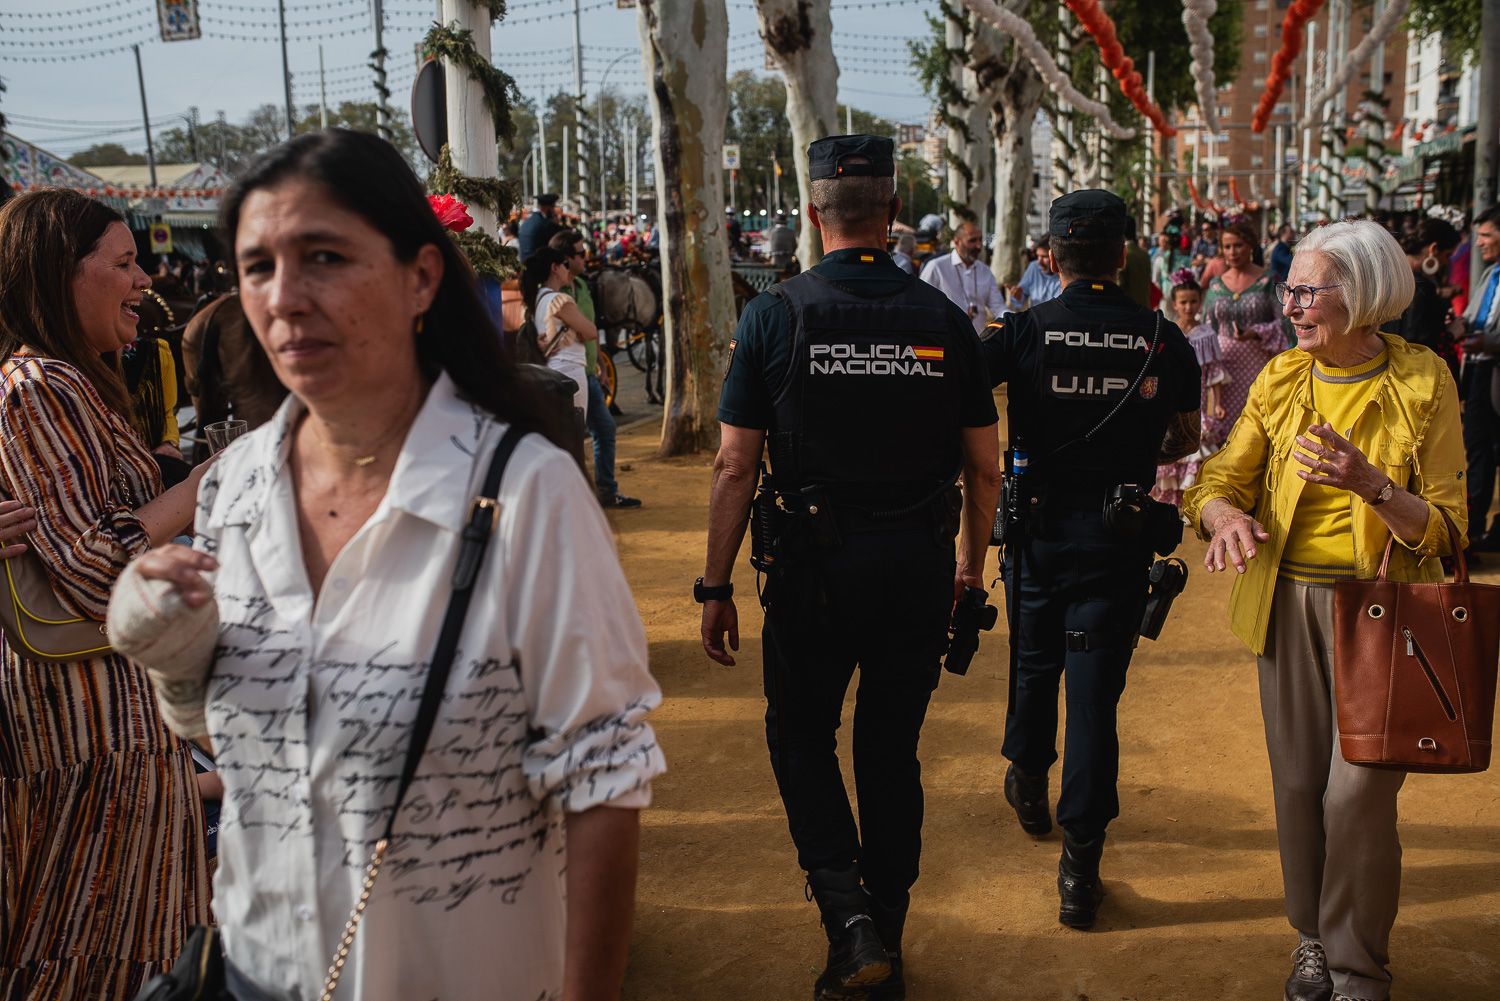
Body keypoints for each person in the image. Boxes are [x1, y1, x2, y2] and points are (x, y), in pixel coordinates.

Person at [112, 129, 664, 1001]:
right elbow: (252, 749)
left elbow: (602, 781)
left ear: (421, 278)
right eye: (257, 266)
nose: (284, 296)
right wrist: (173, 657)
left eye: (325, 257)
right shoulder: (235, 488)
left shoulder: (525, 492)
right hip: (255, 971)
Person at [700, 133, 1000, 1001]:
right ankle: (886, 934)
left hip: (812, 569)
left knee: (801, 735)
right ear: (893, 212)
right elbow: (984, 468)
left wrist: (716, 585)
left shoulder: (775, 314)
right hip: (915, 567)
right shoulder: (943, 320)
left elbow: (734, 465)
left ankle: (849, 919)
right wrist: (969, 570)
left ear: (810, 212)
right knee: (890, 747)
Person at [1183, 220, 1465, 1001]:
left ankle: (1357, 967)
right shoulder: (1280, 378)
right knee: (1299, 787)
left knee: (1357, 795)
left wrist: (1374, 485)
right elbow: (1219, 479)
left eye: (1309, 291)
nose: (1292, 305)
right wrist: (1222, 515)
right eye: (1291, 290)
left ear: (1363, 295)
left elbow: (1448, 526)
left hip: (1385, 611)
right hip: (1287, 604)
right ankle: (1311, 937)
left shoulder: (1424, 380)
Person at [0, 189, 213, 1000]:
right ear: (62, 273)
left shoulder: (73, 382)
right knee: (85, 946)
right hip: (86, 722)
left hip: (112, 718)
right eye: (123, 263)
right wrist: (196, 488)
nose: (145, 280)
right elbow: (96, 569)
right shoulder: (38, 387)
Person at [981, 188, 1201, 931]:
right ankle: (1080, 869)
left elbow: (958, 392)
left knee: (1033, 661)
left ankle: (1028, 780)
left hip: (1037, 533)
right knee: (1094, 696)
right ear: (1123, 254)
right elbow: (1183, 438)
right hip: (1118, 535)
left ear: (1051, 257)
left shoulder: (1023, 329)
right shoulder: (1162, 337)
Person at [549, 229, 640, 508]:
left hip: (587, 370)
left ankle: (606, 490)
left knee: (604, 428)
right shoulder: (554, 293)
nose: (585, 258)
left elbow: (592, 330)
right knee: (572, 437)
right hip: (564, 376)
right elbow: (585, 329)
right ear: (566, 259)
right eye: (580, 254)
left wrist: (600, 363)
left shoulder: (583, 286)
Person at [1202, 219, 1287, 448]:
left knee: (1255, 429)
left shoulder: (1269, 280)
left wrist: (1255, 332)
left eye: (1238, 245)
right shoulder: (1216, 285)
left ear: (1251, 246)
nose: (1232, 252)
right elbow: (1207, 328)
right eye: (1227, 246)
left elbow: (1285, 324)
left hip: (1257, 365)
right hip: (1223, 370)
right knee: (1225, 435)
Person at [1152, 271, 1228, 507]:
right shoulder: (1165, 331)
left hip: (1197, 402)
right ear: (1174, 303)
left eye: (1193, 301)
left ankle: (1191, 503)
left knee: (1195, 445)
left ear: (1200, 302)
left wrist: (1217, 403)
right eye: (1183, 302)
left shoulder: (1207, 334)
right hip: (1168, 401)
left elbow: (1214, 372)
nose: (1188, 307)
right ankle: (1168, 502)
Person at [1458, 206, 1500, 550]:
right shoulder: (1490, 274)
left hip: (1493, 369)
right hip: (1478, 372)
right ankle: (1473, 529)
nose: (1479, 243)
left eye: (1486, 235)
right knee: (1478, 449)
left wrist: (1491, 342)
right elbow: (1474, 316)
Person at [521, 246, 597, 414]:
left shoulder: (536, 298)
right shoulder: (559, 300)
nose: (568, 269)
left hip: (548, 370)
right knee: (574, 426)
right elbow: (591, 332)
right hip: (569, 370)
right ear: (554, 268)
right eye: (565, 265)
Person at [1384, 217, 1462, 379]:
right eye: (1447, 255)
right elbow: (1418, 344)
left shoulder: (1388, 275)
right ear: (1433, 249)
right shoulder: (1420, 287)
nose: (1446, 263)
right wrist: (1451, 334)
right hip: (1411, 376)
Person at [920, 219, 1006, 333]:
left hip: (977, 339)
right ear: (957, 242)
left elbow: (998, 307)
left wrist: (1014, 320)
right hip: (946, 339)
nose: (979, 246)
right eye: (972, 240)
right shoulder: (936, 267)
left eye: (980, 240)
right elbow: (921, 306)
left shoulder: (985, 271)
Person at [1004, 234, 1062, 310]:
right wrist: (1017, 296)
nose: (1039, 262)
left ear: (1056, 256)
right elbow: (1020, 299)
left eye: (1044, 257)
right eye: (1038, 256)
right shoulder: (1034, 267)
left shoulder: (1066, 273)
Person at [1120, 216, 1153, 309]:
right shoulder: (1144, 254)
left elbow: (1120, 285)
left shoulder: (1123, 254)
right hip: (1145, 306)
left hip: (1128, 308)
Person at [517, 192, 562, 260]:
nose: (554, 211)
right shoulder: (546, 224)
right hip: (539, 263)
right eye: (552, 207)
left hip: (525, 262)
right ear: (547, 208)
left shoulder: (528, 221)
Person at [1150, 230, 1187, 301]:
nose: (1163, 243)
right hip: (1179, 294)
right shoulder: (1185, 259)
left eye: (1165, 241)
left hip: (1166, 293)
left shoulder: (1161, 259)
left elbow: (1155, 280)